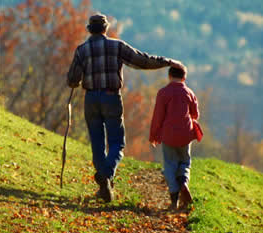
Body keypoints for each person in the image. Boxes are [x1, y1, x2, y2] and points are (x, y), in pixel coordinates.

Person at [67, 13, 185, 202]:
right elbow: (143, 60)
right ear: (105, 29)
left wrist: (79, 77)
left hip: (90, 99)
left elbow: (72, 80)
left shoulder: (82, 50)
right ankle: (106, 175)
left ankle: (104, 183)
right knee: (117, 143)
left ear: (90, 30)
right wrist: (167, 62)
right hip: (111, 97)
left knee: (97, 143)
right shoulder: (117, 46)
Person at [149, 65, 203, 210]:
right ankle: (184, 180)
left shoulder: (163, 93)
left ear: (169, 76)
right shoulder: (189, 93)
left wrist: (153, 135)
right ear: (184, 77)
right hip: (186, 134)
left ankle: (174, 198)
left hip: (168, 135)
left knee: (170, 164)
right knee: (185, 161)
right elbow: (195, 114)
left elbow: (158, 116)